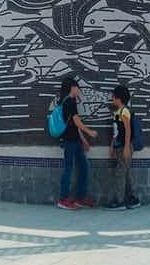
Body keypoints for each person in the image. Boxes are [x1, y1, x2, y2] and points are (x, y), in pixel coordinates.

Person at [57, 77, 97, 210]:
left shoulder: (70, 101)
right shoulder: (68, 101)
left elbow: (75, 125)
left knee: (84, 167)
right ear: (72, 88)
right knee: (69, 169)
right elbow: (76, 122)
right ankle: (63, 199)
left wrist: (84, 140)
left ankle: (80, 198)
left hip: (75, 140)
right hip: (69, 141)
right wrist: (89, 132)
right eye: (77, 87)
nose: (79, 90)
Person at [108, 84, 139, 210]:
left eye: (113, 96)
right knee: (125, 173)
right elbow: (116, 132)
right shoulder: (116, 112)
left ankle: (119, 201)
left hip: (125, 147)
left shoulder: (124, 111)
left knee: (120, 173)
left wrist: (126, 147)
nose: (112, 99)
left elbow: (128, 130)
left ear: (119, 98)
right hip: (119, 146)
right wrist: (112, 146)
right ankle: (132, 199)